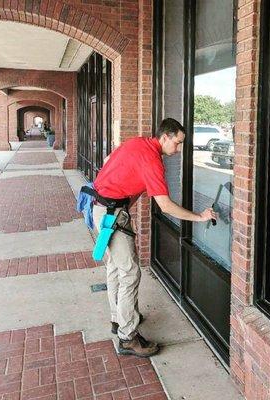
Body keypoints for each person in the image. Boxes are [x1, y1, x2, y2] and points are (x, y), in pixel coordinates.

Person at [92, 118, 216, 357]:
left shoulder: (138, 143)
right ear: (165, 136)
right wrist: (199, 217)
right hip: (112, 214)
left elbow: (109, 161)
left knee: (116, 268)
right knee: (130, 273)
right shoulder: (152, 160)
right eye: (177, 143)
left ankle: (119, 319)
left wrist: (123, 202)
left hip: (104, 208)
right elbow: (166, 206)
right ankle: (127, 337)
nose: (178, 149)